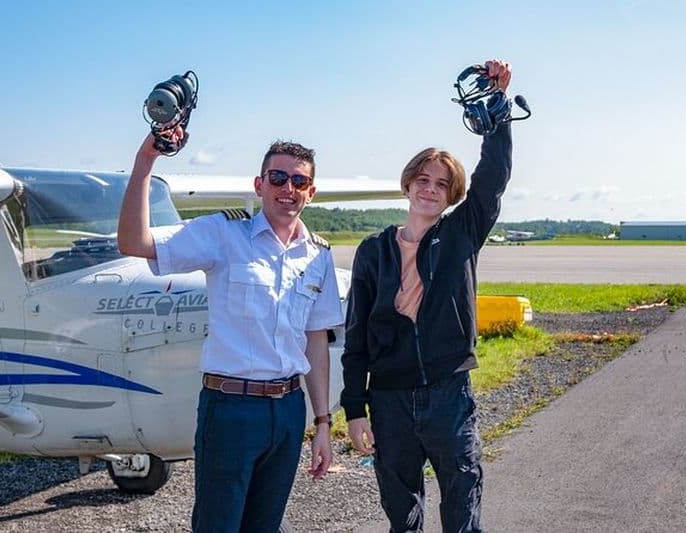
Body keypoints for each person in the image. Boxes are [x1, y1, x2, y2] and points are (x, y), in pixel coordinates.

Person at [118, 130, 342, 532]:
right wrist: (146, 161)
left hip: (289, 410)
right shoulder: (223, 235)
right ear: (259, 185)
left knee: (265, 525)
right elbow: (135, 242)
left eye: (299, 181)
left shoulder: (318, 255)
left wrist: (322, 423)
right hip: (231, 408)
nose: (287, 189)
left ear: (311, 192)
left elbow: (315, 341)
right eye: (277, 178)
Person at [340, 59, 513, 532]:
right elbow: (355, 339)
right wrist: (355, 409)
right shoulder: (374, 251)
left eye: (441, 184)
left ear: (452, 193)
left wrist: (497, 109)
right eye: (423, 180)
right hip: (390, 400)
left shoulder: (461, 233)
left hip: (448, 394)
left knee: (462, 504)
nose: (430, 190)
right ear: (408, 183)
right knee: (402, 515)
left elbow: (493, 177)